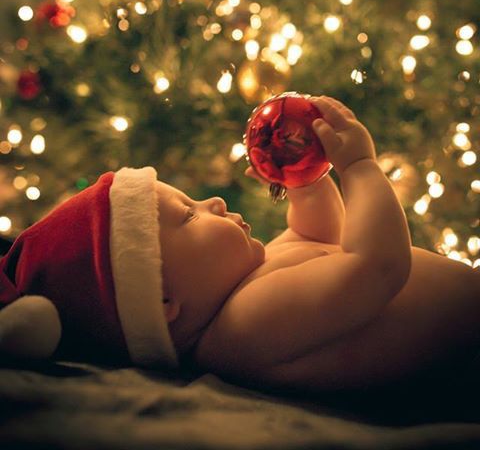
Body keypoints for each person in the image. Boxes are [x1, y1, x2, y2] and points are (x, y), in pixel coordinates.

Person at [0, 96, 479, 393]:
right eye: (188, 214)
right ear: (164, 300)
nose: (211, 201)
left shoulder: (250, 283)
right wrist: (359, 169)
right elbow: (376, 267)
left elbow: (317, 235)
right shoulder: (241, 329)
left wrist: (302, 180)